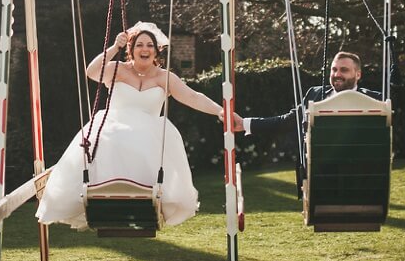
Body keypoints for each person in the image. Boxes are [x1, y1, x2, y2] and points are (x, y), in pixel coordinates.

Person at [36, 21, 243, 230]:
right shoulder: (117, 69)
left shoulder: (164, 77)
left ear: (157, 51)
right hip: (113, 128)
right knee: (113, 140)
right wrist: (114, 47)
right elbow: (92, 71)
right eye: (139, 45)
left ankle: (145, 204)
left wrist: (221, 110)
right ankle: (104, 202)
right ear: (131, 50)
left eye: (150, 45)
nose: (145, 49)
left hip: (149, 134)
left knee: (144, 142)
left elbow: (193, 96)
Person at [237, 51, 381, 137]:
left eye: (344, 70)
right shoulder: (315, 94)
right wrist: (244, 123)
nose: (337, 74)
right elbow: (288, 121)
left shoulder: (375, 99)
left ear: (358, 75)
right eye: (334, 69)